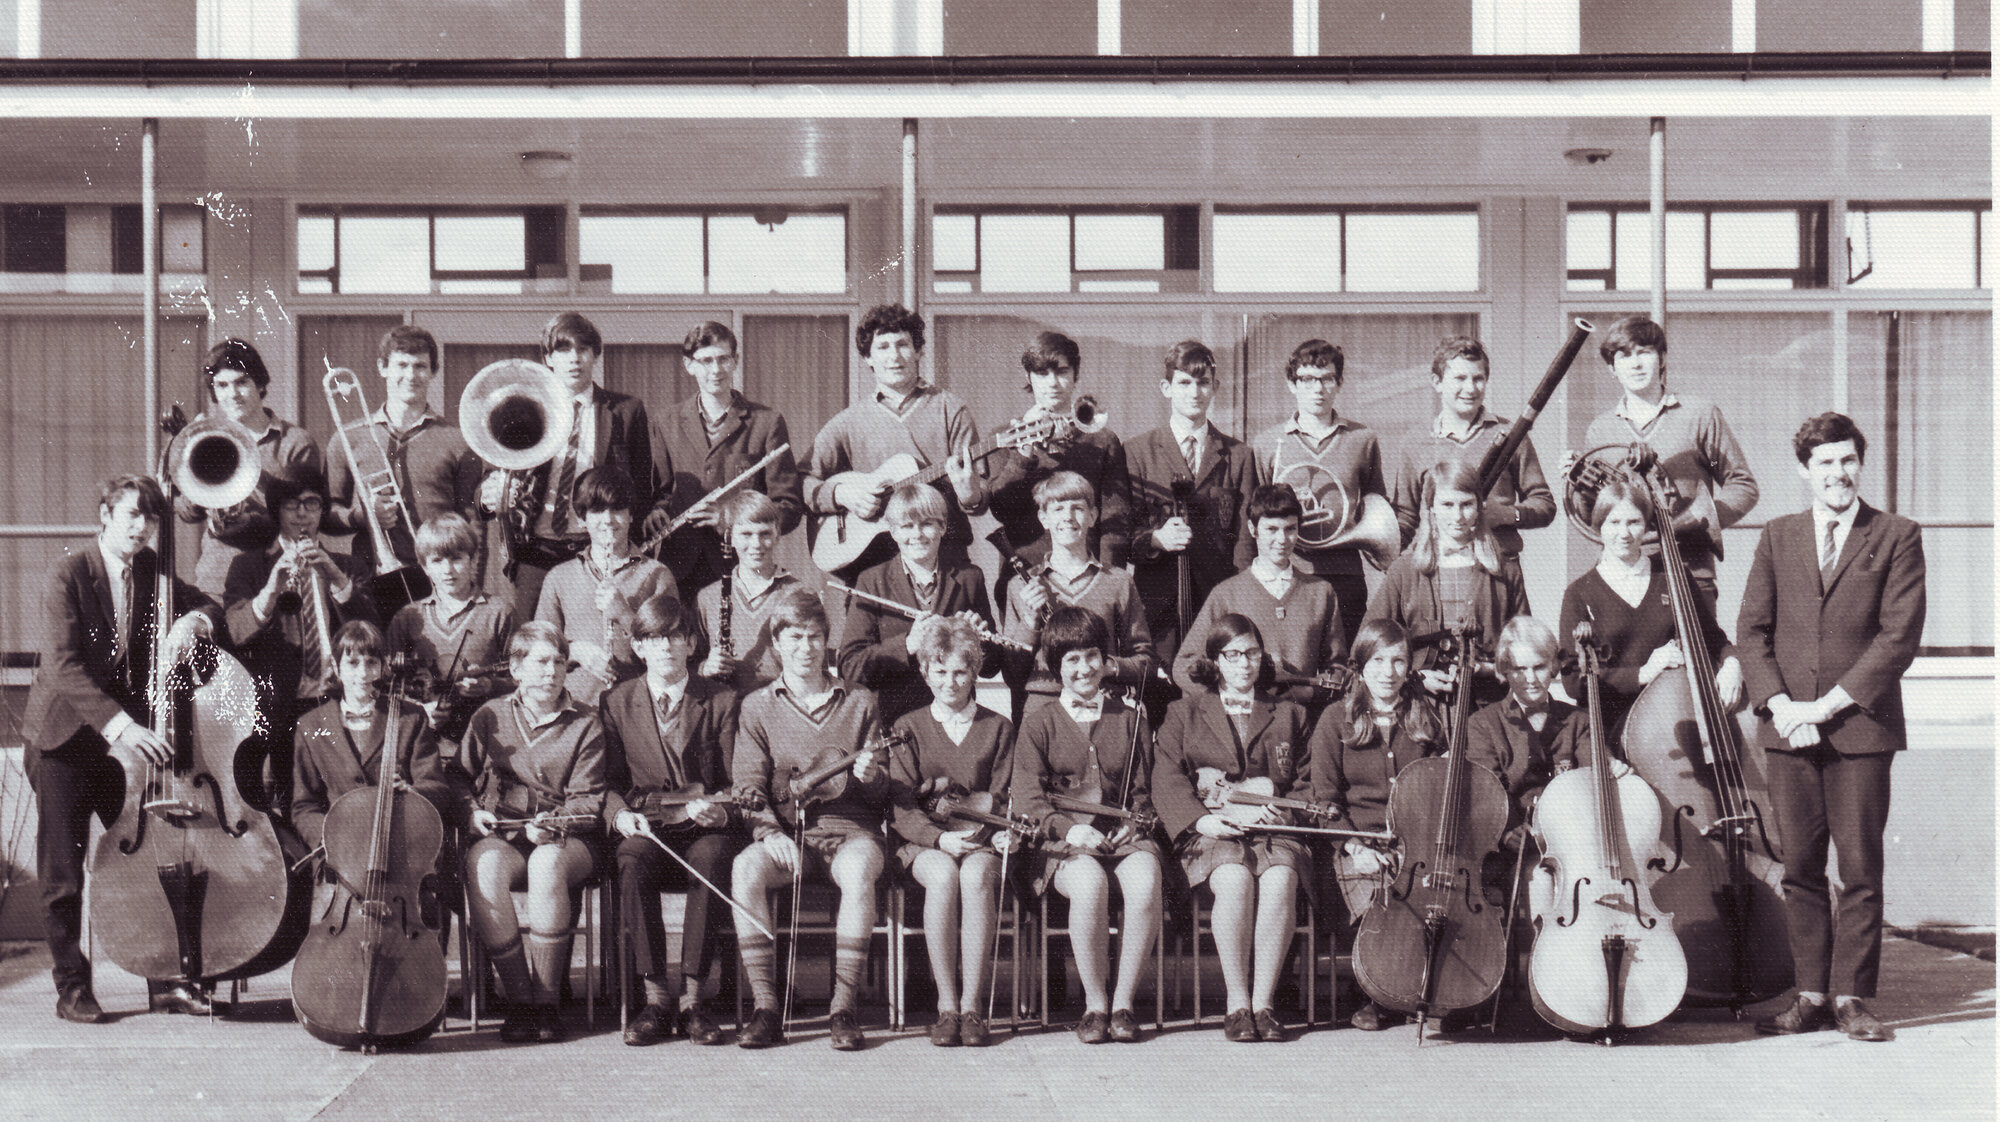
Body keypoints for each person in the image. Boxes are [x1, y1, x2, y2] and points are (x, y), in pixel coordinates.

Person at [1738, 413, 1924, 1043]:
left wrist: (1826, 707)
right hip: (1788, 730)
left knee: (1861, 866)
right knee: (1799, 867)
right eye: (1824, 463)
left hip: (1860, 732)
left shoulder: (1897, 535)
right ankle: (1810, 993)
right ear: (1803, 471)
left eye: (1847, 461)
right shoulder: (1778, 535)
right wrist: (1781, 706)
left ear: (1859, 464)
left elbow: (1899, 638)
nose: (1838, 474)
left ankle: (1853, 997)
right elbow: (1752, 633)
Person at [23, 473, 221, 1022]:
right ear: (105, 514)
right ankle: (72, 988)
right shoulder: (69, 572)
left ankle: (164, 982)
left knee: (145, 862)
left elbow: (210, 605)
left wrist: (193, 622)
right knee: (63, 871)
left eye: (151, 517)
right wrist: (122, 728)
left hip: (120, 747)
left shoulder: (155, 572)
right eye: (131, 514)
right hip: (65, 740)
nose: (141, 526)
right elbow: (63, 666)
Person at [729, 588, 889, 1052]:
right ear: (777, 642)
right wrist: (767, 830)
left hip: (850, 833)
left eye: (815, 636)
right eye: (795, 637)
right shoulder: (757, 706)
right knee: (745, 867)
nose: (806, 647)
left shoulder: (861, 701)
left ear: (827, 641)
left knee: (859, 870)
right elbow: (747, 785)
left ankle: (843, 1007)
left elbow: (883, 792)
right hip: (789, 835)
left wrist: (872, 775)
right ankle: (766, 1007)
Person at [1152, 614, 1311, 1043]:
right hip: (1212, 830)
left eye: (1252, 654)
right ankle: (1237, 1004)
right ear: (1216, 661)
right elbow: (1166, 779)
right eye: (1233, 655)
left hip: (1273, 827)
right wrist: (1202, 819)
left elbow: (1306, 781)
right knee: (1235, 880)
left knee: (1281, 879)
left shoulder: (1289, 714)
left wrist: (1287, 812)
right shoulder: (1183, 713)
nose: (1244, 664)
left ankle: (1264, 1004)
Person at [1010, 607, 1164, 1045]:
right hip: (1064, 843)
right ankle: (1095, 1004)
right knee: (1090, 881)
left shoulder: (1131, 717)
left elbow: (1142, 793)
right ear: (1055, 667)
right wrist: (1068, 829)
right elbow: (1028, 798)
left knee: (1146, 876)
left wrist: (1135, 826)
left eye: (1092, 656)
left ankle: (1123, 1004)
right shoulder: (1038, 720)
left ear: (1105, 658)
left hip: (1122, 839)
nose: (1084, 668)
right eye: (1072, 660)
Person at [598, 594, 745, 1047]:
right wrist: (618, 814)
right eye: (651, 639)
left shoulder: (721, 699)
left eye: (674, 637)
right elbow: (604, 780)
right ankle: (657, 999)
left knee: (713, 856)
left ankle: (694, 1002)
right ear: (638, 647)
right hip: (648, 824)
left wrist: (720, 809)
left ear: (691, 643)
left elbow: (740, 780)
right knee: (631, 860)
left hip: (704, 824)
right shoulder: (616, 701)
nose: (664, 647)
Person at [460, 621, 608, 1044]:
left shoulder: (586, 722)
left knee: (545, 863)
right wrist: (471, 813)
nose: (552, 672)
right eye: (542, 662)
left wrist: (553, 824)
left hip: (569, 839)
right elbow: (457, 779)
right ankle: (519, 1001)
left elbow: (588, 800)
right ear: (516, 667)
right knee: (481, 863)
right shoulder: (489, 716)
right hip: (505, 834)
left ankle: (547, 1004)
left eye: (560, 662)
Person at [482, 312, 675, 619]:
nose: (574, 359)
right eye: (563, 350)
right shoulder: (523, 409)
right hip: (536, 550)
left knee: (595, 634)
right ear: (548, 358)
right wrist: (490, 495)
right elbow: (492, 477)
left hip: (595, 547)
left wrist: (650, 513)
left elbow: (643, 480)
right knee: (533, 639)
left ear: (595, 355)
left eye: (583, 350)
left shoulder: (626, 411)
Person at [1306, 619, 1442, 1030]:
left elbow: (1445, 788)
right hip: (1356, 843)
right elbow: (1325, 802)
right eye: (1379, 660)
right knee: (1377, 897)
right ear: (1361, 665)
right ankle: (1378, 993)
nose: (1389, 671)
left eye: (1399, 661)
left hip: (1414, 844)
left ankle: (1426, 989)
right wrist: (1354, 848)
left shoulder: (1426, 718)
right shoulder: (1335, 720)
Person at [888, 616, 1015, 1048]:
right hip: (926, 842)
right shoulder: (907, 727)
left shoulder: (998, 728)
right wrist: (939, 838)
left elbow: (1004, 796)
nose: (950, 681)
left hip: (980, 840)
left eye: (960, 671)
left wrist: (996, 833)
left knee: (977, 876)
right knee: (943, 875)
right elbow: (901, 804)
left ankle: (972, 1007)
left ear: (975, 671)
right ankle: (946, 1006)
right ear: (925, 672)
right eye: (939, 671)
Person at [1576, 315, 1758, 607]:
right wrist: (1577, 487)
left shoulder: (1699, 414)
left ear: (1661, 358)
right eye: (1624, 356)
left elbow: (1744, 485)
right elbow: (1592, 515)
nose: (1635, 364)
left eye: (1644, 352)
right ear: (1612, 368)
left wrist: (1701, 521)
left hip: (1690, 569)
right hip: (1624, 573)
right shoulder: (1600, 429)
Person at [222, 470, 374, 814]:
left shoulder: (349, 566)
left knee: (340, 802)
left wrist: (336, 577)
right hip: (278, 708)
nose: (302, 514)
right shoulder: (248, 566)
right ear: (277, 512)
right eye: (292, 506)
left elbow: (370, 630)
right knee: (284, 805)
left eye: (312, 504)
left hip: (335, 702)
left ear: (322, 511)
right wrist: (270, 590)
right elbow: (236, 632)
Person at [1125, 340, 1263, 716]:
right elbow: (1121, 535)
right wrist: (1155, 539)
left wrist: (1238, 603)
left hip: (1216, 602)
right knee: (1158, 706)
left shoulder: (1239, 456)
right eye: (1184, 383)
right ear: (1166, 388)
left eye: (1203, 383)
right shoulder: (1136, 452)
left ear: (1216, 388)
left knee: (1214, 705)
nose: (1195, 392)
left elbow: (1245, 542)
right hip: (1157, 607)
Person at [802, 303, 984, 581]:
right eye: (883, 347)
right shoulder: (848, 422)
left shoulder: (950, 409)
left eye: (902, 344)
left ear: (919, 350)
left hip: (944, 557)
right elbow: (803, 481)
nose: (894, 356)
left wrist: (970, 494)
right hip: (872, 561)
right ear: (867, 358)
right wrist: (843, 495)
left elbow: (979, 494)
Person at [1557, 473, 1741, 743]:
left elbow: (1714, 638)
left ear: (1646, 526)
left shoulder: (1674, 577)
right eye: (1614, 522)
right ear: (1599, 527)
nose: (1624, 533)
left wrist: (1733, 664)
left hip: (1676, 721)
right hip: (1612, 730)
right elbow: (1574, 682)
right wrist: (1643, 673)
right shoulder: (1579, 593)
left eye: (1634, 522)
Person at [324, 325, 483, 620]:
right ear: (382, 368)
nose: (411, 376)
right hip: (370, 574)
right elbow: (327, 515)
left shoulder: (458, 441)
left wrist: (472, 583)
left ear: (433, 371)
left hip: (437, 579)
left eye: (421, 366)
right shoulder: (348, 438)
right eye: (402, 365)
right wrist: (361, 515)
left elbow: (472, 521)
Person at [1252, 338, 1390, 645]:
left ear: (1339, 383)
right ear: (1292, 384)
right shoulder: (1266, 444)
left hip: (1346, 573)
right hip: (1287, 572)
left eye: (1327, 379)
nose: (1318, 388)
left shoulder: (1362, 439)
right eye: (1308, 379)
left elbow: (1377, 506)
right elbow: (1256, 518)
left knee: (1345, 664)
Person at [655, 321, 805, 603]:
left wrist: (730, 519)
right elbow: (660, 493)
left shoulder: (766, 422)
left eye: (724, 359)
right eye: (706, 361)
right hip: (678, 570)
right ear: (689, 365)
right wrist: (657, 512)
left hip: (742, 568)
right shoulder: (666, 422)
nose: (716, 370)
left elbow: (789, 506)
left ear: (735, 361)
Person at [170, 338, 325, 599]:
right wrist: (199, 485)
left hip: (278, 574)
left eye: (242, 382)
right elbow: (187, 513)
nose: (232, 394)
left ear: (260, 384)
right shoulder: (205, 438)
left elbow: (304, 516)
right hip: (218, 576)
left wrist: (248, 522)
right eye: (222, 385)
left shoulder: (295, 442)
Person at [1465, 616, 1588, 944]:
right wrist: (1507, 832)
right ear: (1504, 671)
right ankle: (1543, 988)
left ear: (1554, 667)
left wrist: (1613, 768)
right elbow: (1487, 791)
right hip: (1513, 846)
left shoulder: (1577, 720)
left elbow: (1590, 783)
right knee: (1541, 885)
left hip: (1571, 843)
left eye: (1538, 667)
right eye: (1519, 669)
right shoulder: (1483, 724)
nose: (1530, 679)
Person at [837, 482, 1001, 724]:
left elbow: (991, 667)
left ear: (943, 526)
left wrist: (976, 642)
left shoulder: (969, 577)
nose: (917, 535)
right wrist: (907, 645)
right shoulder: (871, 581)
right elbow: (850, 667)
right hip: (896, 720)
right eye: (906, 526)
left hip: (957, 719)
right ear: (892, 531)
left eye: (927, 524)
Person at [1366, 460, 1528, 706]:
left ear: (1479, 508)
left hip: (1490, 705)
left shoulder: (1506, 570)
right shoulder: (1403, 570)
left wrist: (1487, 669)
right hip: (1418, 707)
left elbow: (1527, 647)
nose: (1457, 516)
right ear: (1431, 508)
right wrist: (1414, 676)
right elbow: (1368, 645)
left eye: (1466, 505)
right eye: (1447, 505)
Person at [289, 621, 456, 855]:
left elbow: (438, 788)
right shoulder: (311, 725)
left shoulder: (410, 717)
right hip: (342, 851)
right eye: (352, 663)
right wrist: (328, 838)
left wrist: (411, 793)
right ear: (337, 669)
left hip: (401, 845)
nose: (363, 673)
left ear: (382, 668)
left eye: (371, 663)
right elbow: (304, 805)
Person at [1172, 484, 1344, 711]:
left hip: (1301, 724)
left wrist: (1309, 693)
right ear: (1253, 529)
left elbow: (1338, 668)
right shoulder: (1227, 594)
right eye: (1271, 529)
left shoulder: (1321, 592)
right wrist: (1228, 697)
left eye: (1290, 528)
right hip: (1242, 724)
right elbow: (1183, 666)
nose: (1282, 539)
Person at [1001, 471, 1153, 719]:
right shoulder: (1020, 586)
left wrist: (1106, 667)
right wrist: (1030, 621)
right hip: (1044, 712)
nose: (1068, 517)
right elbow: (1012, 673)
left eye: (1078, 508)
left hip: (1105, 707)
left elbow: (1145, 661)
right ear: (1043, 518)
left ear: (1093, 516)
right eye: (1058, 509)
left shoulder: (1118, 581)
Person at [985, 330, 1132, 584]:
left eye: (1062, 372)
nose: (1052, 382)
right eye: (1042, 374)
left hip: (1088, 576)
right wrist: (1023, 449)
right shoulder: (1003, 436)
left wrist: (1108, 582)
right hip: (1025, 577)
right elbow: (1001, 509)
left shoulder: (1103, 440)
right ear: (1028, 378)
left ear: (1076, 375)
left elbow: (1114, 520)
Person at [1388, 336, 1555, 558]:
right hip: (1439, 566)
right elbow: (1406, 516)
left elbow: (1544, 505)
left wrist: (1505, 515)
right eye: (1459, 378)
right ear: (1437, 382)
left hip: (1500, 566)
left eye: (1478, 378)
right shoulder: (1415, 442)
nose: (1470, 388)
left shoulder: (1511, 435)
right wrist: (1387, 556)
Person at [533, 466, 677, 707]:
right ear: (582, 518)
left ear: (631, 515)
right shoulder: (559, 577)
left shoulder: (657, 574)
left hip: (638, 708)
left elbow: (672, 650)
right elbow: (539, 649)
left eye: (618, 509)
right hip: (576, 707)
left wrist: (624, 614)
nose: (608, 520)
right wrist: (575, 651)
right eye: (597, 511)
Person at [386, 512, 519, 750]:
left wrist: (491, 685)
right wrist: (420, 710)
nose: (448, 570)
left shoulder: (499, 612)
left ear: (472, 559)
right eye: (437, 561)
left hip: (488, 743)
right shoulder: (408, 617)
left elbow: (522, 677)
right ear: (424, 567)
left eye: (456, 558)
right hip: (423, 745)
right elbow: (388, 685)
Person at [695, 490, 811, 696]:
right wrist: (706, 668)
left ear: (777, 535)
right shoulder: (707, 598)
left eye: (765, 534)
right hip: (724, 713)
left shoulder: (800, 595)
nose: (756, 545)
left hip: (778, 711)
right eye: (746, 534)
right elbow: (689, 666)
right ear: (729, 537)